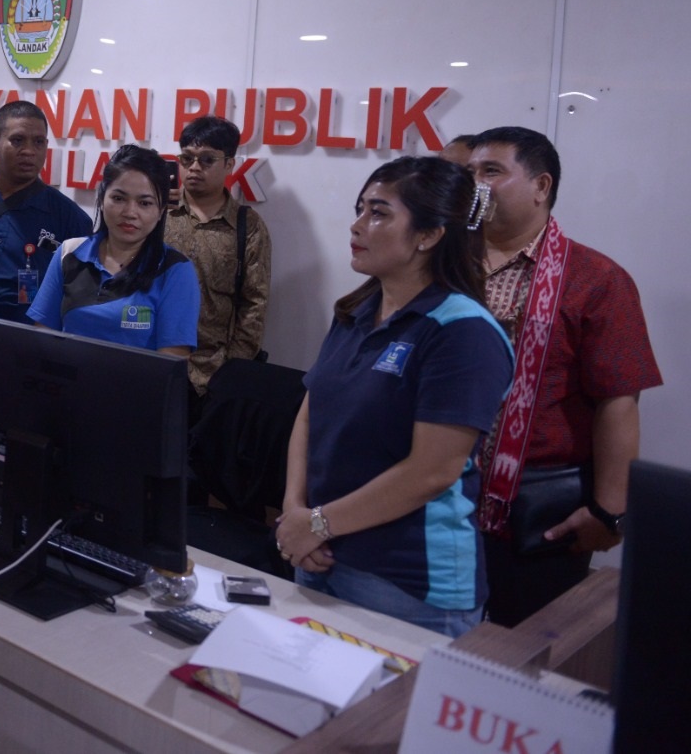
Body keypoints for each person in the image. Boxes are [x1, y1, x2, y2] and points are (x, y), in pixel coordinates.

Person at [279, 156, 511, 637]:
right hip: (319, 554)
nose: (358, 225)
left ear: (427, 236)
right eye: (361, 208)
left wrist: (317, 525)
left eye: (379, 213)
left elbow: (431, 472)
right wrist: (295, 512)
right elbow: (309, 416)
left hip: (406, 584)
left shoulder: (463, 331)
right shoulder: (357, 310)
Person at [468, 127, 661, 626]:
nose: (475, 183)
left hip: (536, 512)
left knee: (518, 658)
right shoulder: (440, 263)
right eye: (468, 172)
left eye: (491, 171)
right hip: (430, 492)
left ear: (541, 185)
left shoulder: (596, 279)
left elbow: (618, 400)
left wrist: (609, 512)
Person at [27, 144, 200, 355]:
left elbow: (171, 363)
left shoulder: (175, 270)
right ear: (101, 199)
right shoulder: (69, 253)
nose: (130, 212)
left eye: (144, 203)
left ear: (161, 210)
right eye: (118, 198)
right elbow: (42, 337)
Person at [0, 100, 91, 324]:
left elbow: (75, 299)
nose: (29, 151)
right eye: (18, 140)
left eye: (39, 142)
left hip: (23, 348)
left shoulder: (70, 219)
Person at [164, 115, 272, 412]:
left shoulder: (247, 226)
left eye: (207, 159)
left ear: (229, 164)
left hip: (214, 375)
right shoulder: (158, 212)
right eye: (187, 158)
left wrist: (231, 370)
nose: (194, 167)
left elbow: (255, 304)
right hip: (155, 361)